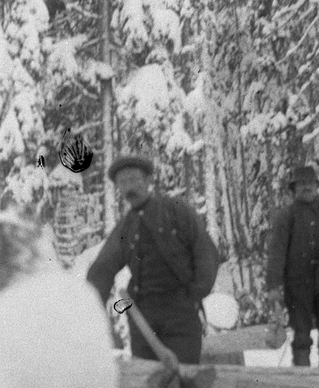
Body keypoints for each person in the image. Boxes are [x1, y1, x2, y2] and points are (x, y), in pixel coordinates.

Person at [87, 155, 220, 365]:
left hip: (180, 313)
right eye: (122, 182)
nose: (129, 187)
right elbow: (102, 269)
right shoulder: (125, 227)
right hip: (143, 318)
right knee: (149, 384)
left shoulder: (176, 210)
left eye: (134, 179)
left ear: (149, 181)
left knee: (184, 380)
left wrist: (194, 294)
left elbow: (205, 251)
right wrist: (88, 307)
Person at [265, 164, 319, 368]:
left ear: (317, 186)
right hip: (298, 284)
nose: (306, 188)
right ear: (294, 189)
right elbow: (277, 252)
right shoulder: (286, 216)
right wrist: (274, 286)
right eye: (301, 184)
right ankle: (303, 380)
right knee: (301, 334)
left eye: (310, 183)